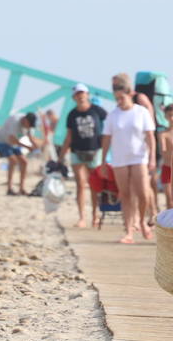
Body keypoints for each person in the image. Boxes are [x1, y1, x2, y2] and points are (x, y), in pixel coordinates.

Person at [100, 79, 156, 244]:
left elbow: (150, 136)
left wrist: (152, 157)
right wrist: (103, 161)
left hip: (139, 157)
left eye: (121, 98)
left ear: (129, 95)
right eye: (116, 98)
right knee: (125, 194)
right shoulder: (113, 115)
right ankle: (129, 231)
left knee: (143, 193)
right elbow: (106, 139)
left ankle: (142, 222)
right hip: (119, 158)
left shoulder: (141, 112)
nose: (119, 101)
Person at [58, 84, 108, 227]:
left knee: (94, 185)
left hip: (95, 151)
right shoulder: (72, 114)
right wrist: (61, 157)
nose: (80, 96)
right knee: (80, 183)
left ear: (87, 94)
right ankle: (81, 218)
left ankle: (94, 216)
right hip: (76, 151)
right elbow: (69, 136)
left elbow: (111, 126)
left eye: (83, 93)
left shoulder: (97, 111)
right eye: (77, 94)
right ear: (74, 97)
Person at [0, 112, 41, 195]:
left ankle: (21, 188)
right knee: (13, 161)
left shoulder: (28, 124)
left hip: (14, 143)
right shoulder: (14, 122)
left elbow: (30, 137)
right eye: (29, 125)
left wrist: (35, 145)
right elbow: (12, 139)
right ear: (25, 120)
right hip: (2, 141)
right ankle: (9, 188)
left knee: (24, 162)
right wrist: (27, 147)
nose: (29, 127)